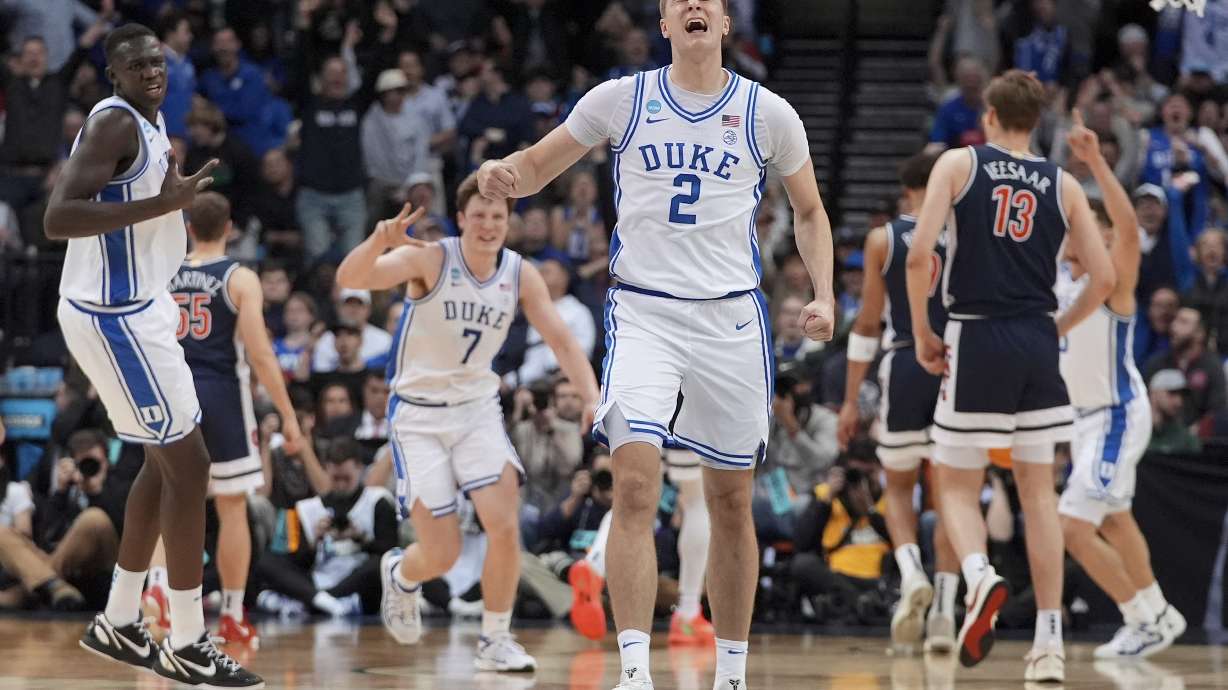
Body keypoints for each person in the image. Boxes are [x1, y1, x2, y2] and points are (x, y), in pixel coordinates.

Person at [477, 1, 835, 687]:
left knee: (731, 500)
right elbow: (536, 165)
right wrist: (504, 175)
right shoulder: (622, 98)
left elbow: (810, 209)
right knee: (635, 484)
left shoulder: (768, 112)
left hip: (732, 318)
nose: (694, 4)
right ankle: (634, 672)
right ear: (666, 23)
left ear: (727, 23)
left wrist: (821, 292)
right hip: (645, 312)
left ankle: (731, 673)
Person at [44, 23, 261, 688]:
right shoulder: (114, 124)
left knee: (162, 462)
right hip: (114, 315)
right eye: (135, 64)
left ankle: (119, 619)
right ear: (113, 73)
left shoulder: (149, 119)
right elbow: (57, 217)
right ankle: (190, 640)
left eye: (156, 61)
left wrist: (161, 207)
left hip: (140, 307)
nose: (150, 71)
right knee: (190, 467)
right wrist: (160, 207)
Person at [334, 174, 600, 672]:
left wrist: (590, 396)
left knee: (503, 522)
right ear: (461, 219)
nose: (489, 225)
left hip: (478, 408)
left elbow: (564, 342)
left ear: (509, 223)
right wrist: (378, 240)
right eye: (479, 215)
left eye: (498, 217)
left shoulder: (521, 273)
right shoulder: (430, 259)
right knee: (441, 553)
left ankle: (495, 640)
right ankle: (402, 575)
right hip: (418, 414)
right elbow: (352, 277)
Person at [905, 70, 1115, 683]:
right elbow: (1099, 280)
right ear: (1037, 122)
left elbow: (920, 255)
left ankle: (978, 576)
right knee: (1037, 495)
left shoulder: (957, 164)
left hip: (975, 332)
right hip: (1035, 338)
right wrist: (1059, 327)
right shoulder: (1065, 183)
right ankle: (1048, 643)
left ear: (990, 117)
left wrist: (922, 331)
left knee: (955, 484)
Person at [144, 192, 304, 647]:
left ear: (189, 228)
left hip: (171, 392)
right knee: (232, 508)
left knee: (168, 499)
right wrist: (288, 416)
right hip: (221, 398)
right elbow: (260, 354)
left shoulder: (165, 273)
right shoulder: (239, 277)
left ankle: (159, 587)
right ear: (230, 228)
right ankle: (232, 613)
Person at [1054, 114, 1186, 660]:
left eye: (1092, 224)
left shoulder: (1110, 283)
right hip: (1083, 419)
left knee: (1073, 527)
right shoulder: (1061, 277)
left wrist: (1096, 162)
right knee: (1113, 517)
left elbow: (1130, 230)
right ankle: (1160, 612)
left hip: (1115, 413)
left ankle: (1142, 616)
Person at [836, 150, 960, 652]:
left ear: (906, 189)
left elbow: (867, 325)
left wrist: (849, 401)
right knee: (955, 493)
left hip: (907, 361)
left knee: (899, 487)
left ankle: (911, 574)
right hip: (958, 366)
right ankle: (947, 614)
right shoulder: (968, 236)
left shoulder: (883, 239)